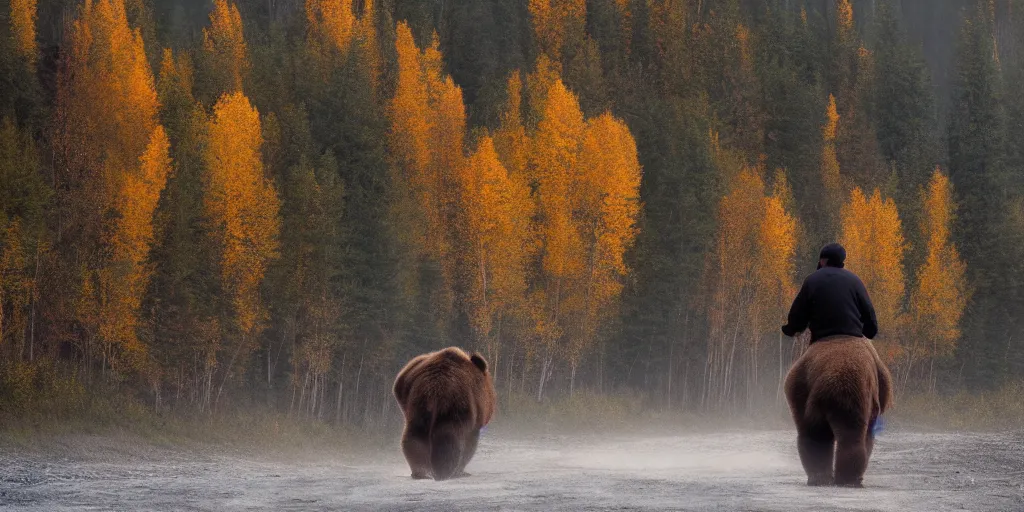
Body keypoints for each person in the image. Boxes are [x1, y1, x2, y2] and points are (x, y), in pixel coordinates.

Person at [781, 243, 878, 343]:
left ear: (823, 260)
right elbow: (869, 312)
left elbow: (798, 313)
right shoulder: (855, 280)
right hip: (853, 338)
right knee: (875, 359)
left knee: (803, 360)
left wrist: (791, 329)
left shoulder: (811, 280)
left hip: (822, 340)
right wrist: (869, 332)